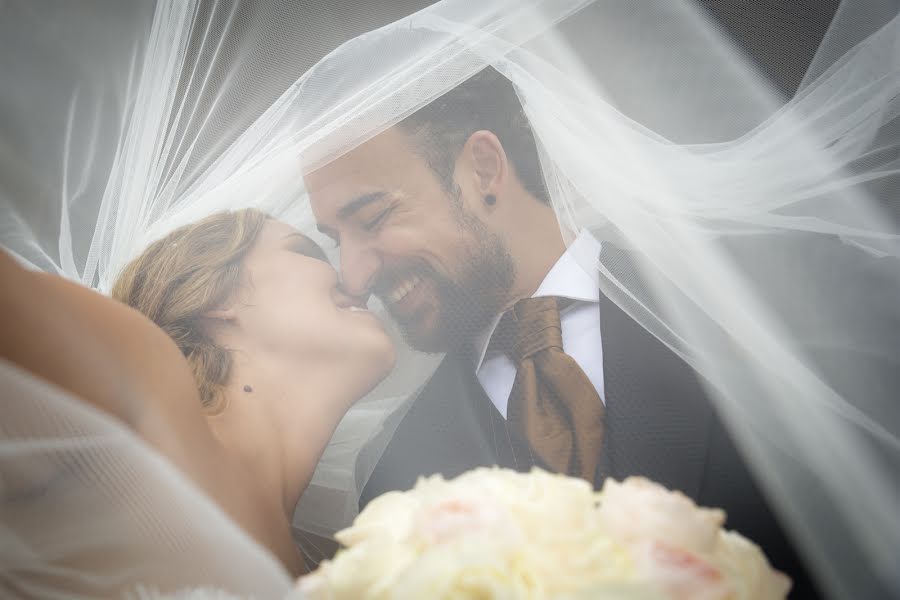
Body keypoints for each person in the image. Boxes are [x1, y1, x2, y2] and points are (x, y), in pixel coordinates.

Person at [303, 65, 898, 599]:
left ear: (483, 169)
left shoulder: (771, 293)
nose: (353, 275)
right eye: (336, 241)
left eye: (373, 219)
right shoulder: (394, 481)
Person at [0, 208, 395, 584]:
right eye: (308, 251)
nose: (354, 278)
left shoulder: (330, 571)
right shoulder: (142, 386)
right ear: (218, 295)